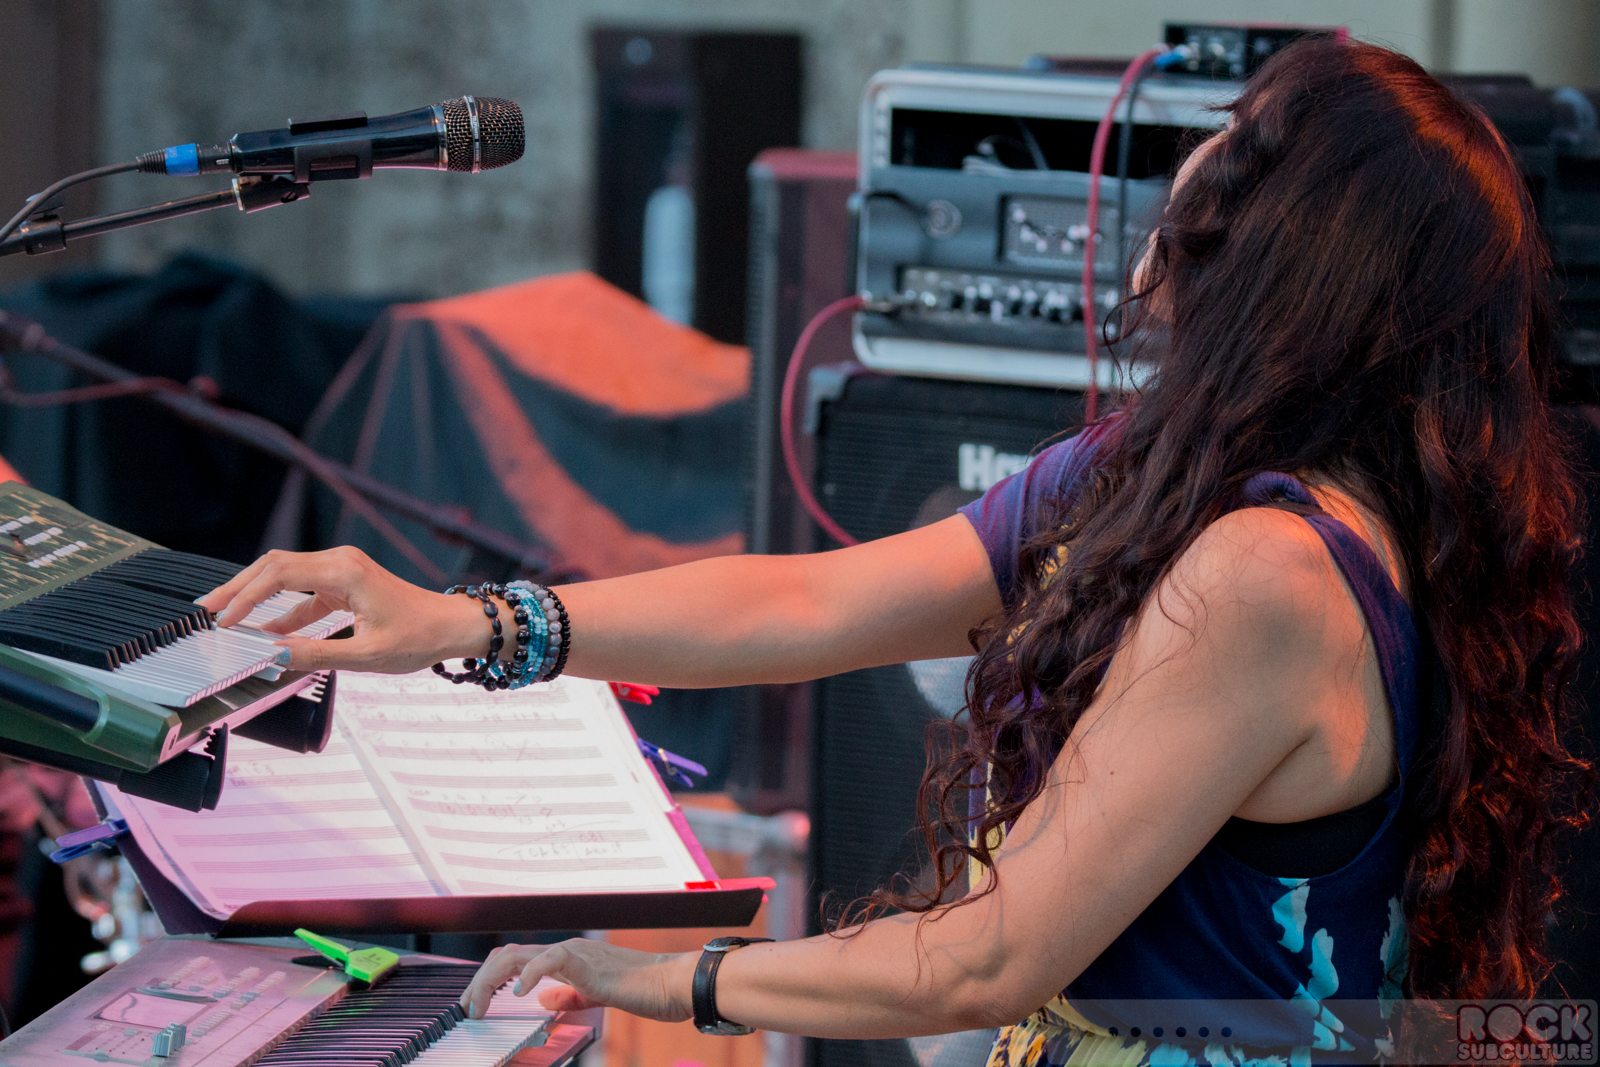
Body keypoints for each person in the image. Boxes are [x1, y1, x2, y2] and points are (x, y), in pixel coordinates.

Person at [199, 37, 1587, 1065]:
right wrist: (471, 624)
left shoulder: (1268, 576)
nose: (1187, 169)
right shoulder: (1169, 482)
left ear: (1287, 245)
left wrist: (670, 980)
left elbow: (988, 958)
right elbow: (813, 601)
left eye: (1233, 137)